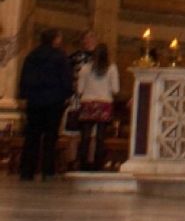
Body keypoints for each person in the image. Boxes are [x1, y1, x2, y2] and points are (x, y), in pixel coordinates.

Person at [18, 29, 74, 181]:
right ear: (55, 39)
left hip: (34, 101)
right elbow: (66, 79)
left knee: (32, 136)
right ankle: (47, 170)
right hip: (53, 101)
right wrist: (67, 95)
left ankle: (27, 171)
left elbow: (25, 77)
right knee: (50, 137)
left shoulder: (32, 55)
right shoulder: (60, 56)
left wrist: (24, 96)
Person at [74, 41, 122, 172]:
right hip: (104, 103)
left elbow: (80, 90)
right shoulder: (112, 68)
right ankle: (98, 164)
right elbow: (116, 89)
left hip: (88, 103)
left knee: (85, 137)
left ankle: (83, 164)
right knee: (100, 137)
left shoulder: (85, 68)